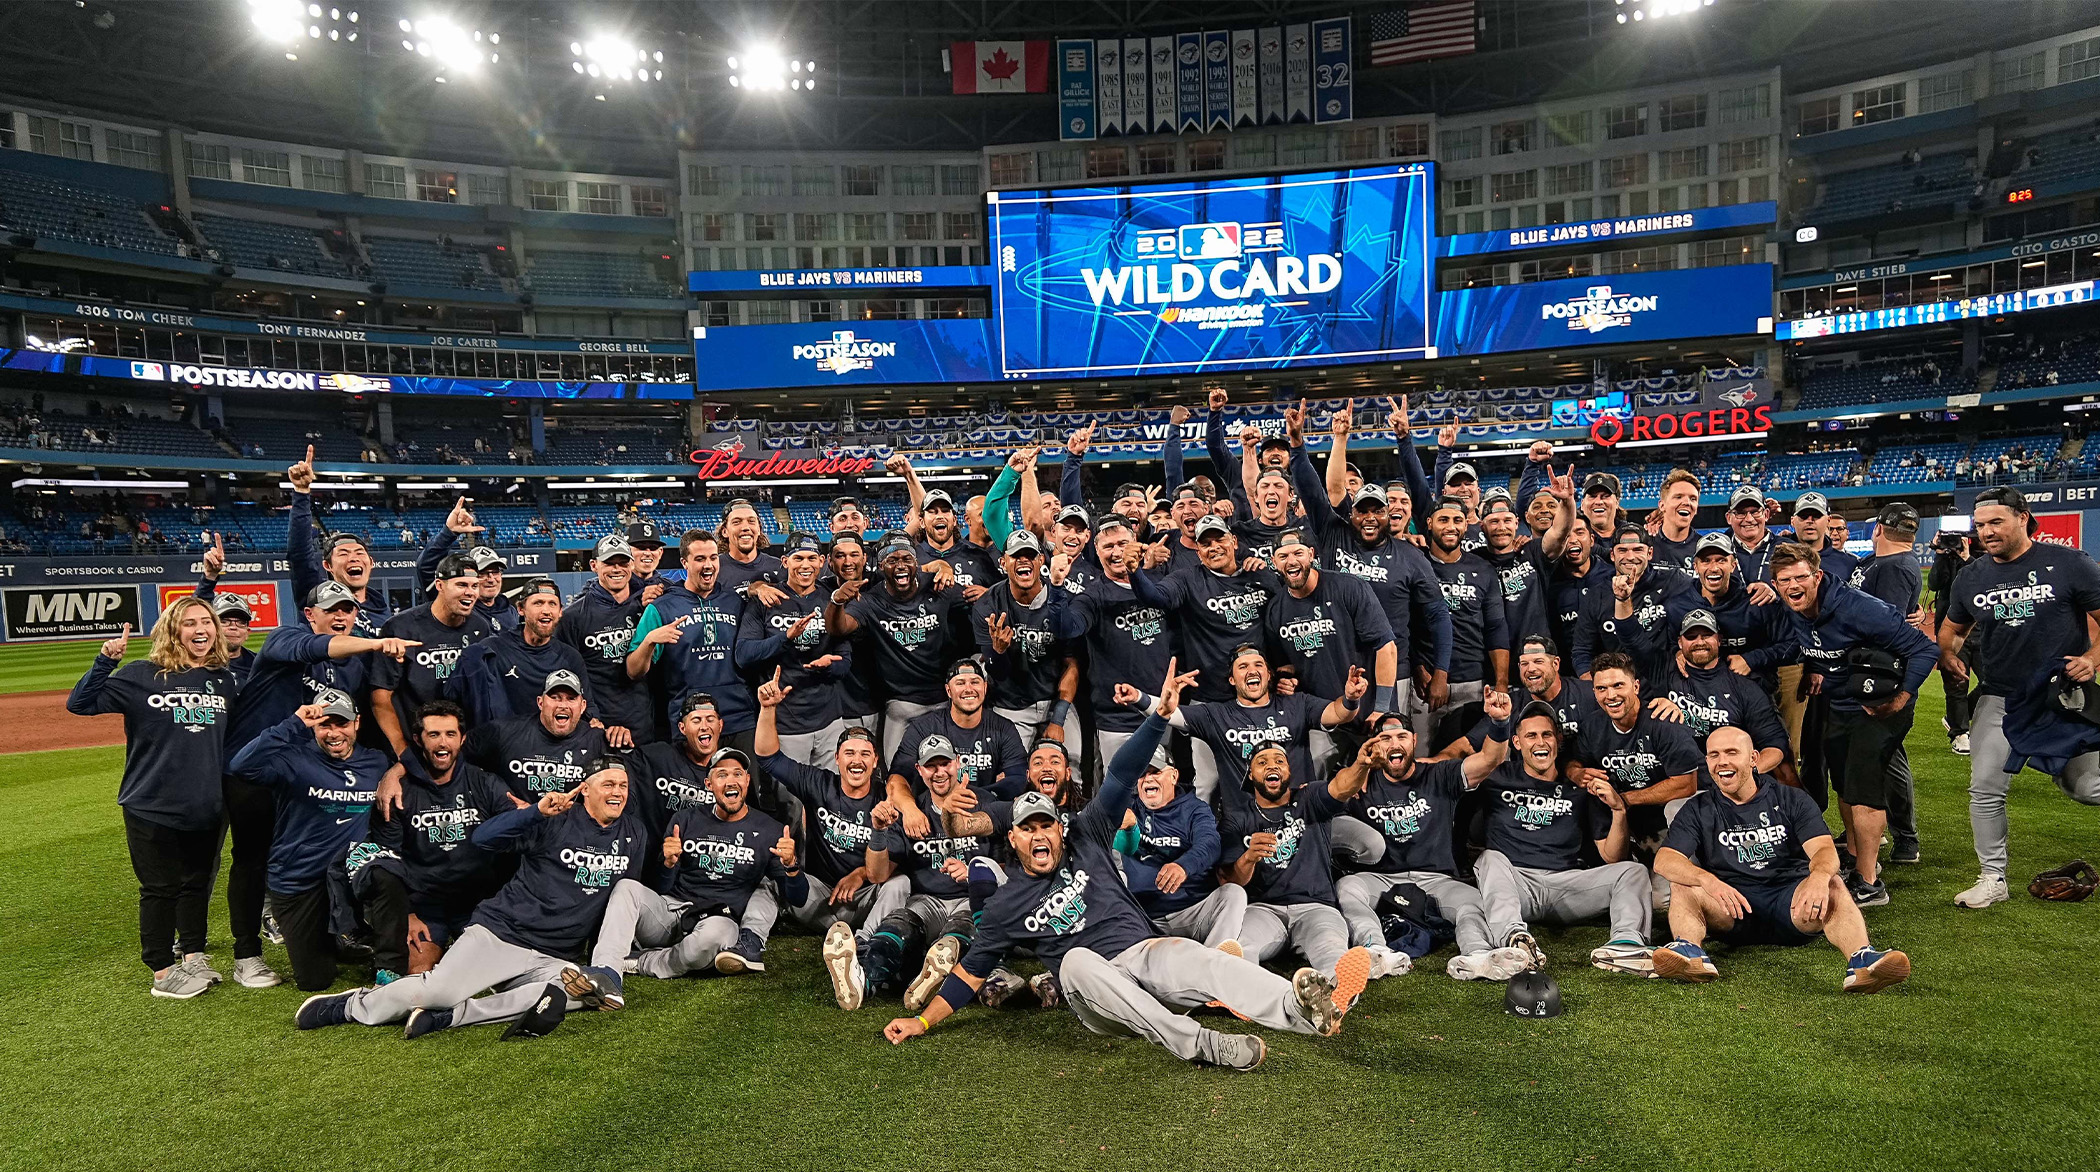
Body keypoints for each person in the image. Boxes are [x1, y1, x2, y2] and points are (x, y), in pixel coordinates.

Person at [880, 661, 1358, 1069]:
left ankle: (1300, 1009)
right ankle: (1201, 1044)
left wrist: (1159, 717)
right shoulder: (1008, 903)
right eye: (1027, 828)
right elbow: (969, 973)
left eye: (1046, 824)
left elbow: (1124, 772)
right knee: (1076, 961)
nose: (1039, 834)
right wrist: (922, 1021)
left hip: (1143, 957)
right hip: (1097, 995)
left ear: (1060, 828)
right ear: (1014, 838)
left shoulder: (1087, 834)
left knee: (1203, 959)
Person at [296, 757, 639, 1037]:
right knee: (438, 991)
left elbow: (616, 902)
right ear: (585, 790)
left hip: (555, 956)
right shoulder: (554, 819)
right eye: (608, 784)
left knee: (586, 992)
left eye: (622, 786)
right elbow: (483, 838)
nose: (617, 792)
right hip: (503, 935)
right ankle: (351, 1005)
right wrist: (535, 811)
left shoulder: (634, 832)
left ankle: (451, 1017)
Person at [224, 581, 415, 988]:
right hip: (259, 765)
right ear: (310, 615)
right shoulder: (285, 638)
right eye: (331, 610)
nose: (340, 616)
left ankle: (335, 932)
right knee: (252, 860)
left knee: (329, 849)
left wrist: (390, 769)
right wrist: (377, 643)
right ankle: (247, 954)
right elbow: (320, 647)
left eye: (347, 609)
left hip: (311, 767)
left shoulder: (353, 665)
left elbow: (358, 717)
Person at [1650, 727, 1912, 994]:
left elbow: (1823, 849)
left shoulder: (1791, 799)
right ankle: (1691, 954)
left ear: (1753, 758)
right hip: (1730, 909)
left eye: (1731, 753)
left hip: (1793, 907)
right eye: (1714, 755)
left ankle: (1862, 961)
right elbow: (1665, 860)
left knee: (1832, 882)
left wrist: (1819, 877)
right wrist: (1707, 880)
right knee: (1682, 882)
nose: (1722, 762)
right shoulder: (1698, 808)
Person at [1938, 486, 2100, 909]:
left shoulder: (2070, 563)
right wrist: (1948, 655)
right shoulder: (1972, 575)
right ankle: (1992, 878)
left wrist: (2091, 659)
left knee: (2087, 787)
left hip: (2062, 699)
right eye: (1980, 525)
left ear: (2023, 517)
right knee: (1985, 789)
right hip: (2001, 699)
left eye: (1996, 522)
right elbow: (1952, 629)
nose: (1986, 532)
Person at [67, 599, 236, 999]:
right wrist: (106, 660)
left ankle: (194, 955)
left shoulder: (224, 679)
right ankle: (162, 971)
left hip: (206, 802)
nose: (201, 629)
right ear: (172, 630)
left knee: (196, 884)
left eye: (207, 622)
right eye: (189, 623)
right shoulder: (141, 676)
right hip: (151, 803)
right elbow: (80, 703)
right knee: (160, 888)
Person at [1773, 542, 1935, 908]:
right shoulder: (1793, 609)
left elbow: (1924, 649)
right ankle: (1858, 860)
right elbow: (1809, 649)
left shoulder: (1860, 608)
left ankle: (1870, 884)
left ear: (1817, 576)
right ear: (1776, 584)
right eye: (1785, 580)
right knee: (1845, 787)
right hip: (1841, 703)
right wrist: (1811, 668)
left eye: (1801, 577)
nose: (1794, 585)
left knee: (1863, 790)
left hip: (1880, 707)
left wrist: (1900, 698)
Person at [1338, 702, 1528, 982]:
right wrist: (1357, 770)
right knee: (1347, 887)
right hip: (1380, 878)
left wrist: (1500, 723)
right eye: (1385, 738)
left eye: (1402, 737)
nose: (1395, 744)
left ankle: (1478, 955)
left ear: (1414, 741)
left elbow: (1489, 759)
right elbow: (1324, 794)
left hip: (1436, 879)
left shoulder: (1439, 774)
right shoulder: (1359, 782)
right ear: (1375, 746)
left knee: (1472, 903)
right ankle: (1375, 950)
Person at [1473, 702, 1654, 976]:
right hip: (1515, 884)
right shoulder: (1496, 776)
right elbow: (1458, 773)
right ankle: (1514, 941)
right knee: (1489, 858)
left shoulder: (1580, 787)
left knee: (1634, 872)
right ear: (1517, 743)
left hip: (1566, 885)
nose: (1540, 742)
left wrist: (1619, 811)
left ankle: (1626, 946)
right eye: (1531, 736)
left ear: (1558, 739)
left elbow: (1612, 857)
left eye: (1546, 734)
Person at [227, 690, 389, 992]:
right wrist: (294, 722)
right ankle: (330, 938)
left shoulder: (377, 762)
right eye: (325, 725)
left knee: (389, 876)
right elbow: (240, 766)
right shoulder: (294, 759)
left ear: (357, 723)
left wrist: (395, 775)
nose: (334, 733)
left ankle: (375, 952)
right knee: (315, 979)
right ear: (313, 727)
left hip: (348, 878)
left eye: (342, 724)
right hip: (299, 880)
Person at [596, 747, 804, 979]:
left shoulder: (770, 830)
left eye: (737, 774)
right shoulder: (685, 820)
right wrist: (667, 864)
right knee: (626, 888)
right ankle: (604, 970)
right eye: (722, 775)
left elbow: (798, 899)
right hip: (673, 913)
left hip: (719, 921)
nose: (731, 781)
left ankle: (644, 961)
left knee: (715, 935)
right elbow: (661, 886)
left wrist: (791, 865)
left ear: (747, 780)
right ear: (708, 784)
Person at [1217, 731, 1391, 988]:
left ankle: (1335, 997)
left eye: (1279, 761)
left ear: (1289, 771)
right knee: (1241, 949)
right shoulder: (1237, 818)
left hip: (1316, 907)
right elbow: (1230, 881)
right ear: (1250, 775)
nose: (1272, 766)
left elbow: (1341, 786)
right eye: (1262, 762)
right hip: (1263, 909)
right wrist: (1248, 858)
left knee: (1333, 954)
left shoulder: (1310, 797)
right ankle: (1243, 995)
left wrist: (1360, 765)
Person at [359, 701, 516, 981]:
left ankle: (463, 948)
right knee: (417, 974)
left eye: (450, 734)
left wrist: (528, 814)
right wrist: (405, 915)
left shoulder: (486, 783)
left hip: (479, 904)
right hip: (424, 906)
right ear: (418, 740)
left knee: (504, 973)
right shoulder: (398, 792)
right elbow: (387, 859)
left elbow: (515, 834)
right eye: (434, 735)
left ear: (462, 739)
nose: (443, 743)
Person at [754, 675, 911, 948]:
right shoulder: (819, 782)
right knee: (770, 881)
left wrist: (860, 873)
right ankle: (752, 938)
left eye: (865, 754)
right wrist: (768, 710)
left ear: (876, 761)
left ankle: (865, 944)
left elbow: (878, 876)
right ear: (837, 758)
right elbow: (769, 759)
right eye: (849, 753)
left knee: (900, 884)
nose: (857, 760)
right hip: (819, 897)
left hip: (864, 902)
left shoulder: (888, 800)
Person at [1121, 644, 1366, 800]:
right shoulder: (1217, 714)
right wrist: (1138, 697)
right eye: (1242, 667)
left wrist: (1351, 699)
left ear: (1268, 674)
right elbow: (1173, 714)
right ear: (1232, 680)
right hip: (1246, 821)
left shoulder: (1298, 703)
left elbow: (1337, 713)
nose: (1252, 670)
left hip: (1300, 811)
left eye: (1258, 664)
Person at [826, 535, 971, 763]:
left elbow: (976, 603)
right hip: (901, 705)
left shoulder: (938, 586)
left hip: (945, 700)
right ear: (880, 566)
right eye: (892, 561)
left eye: (906, 559)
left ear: (917, 563)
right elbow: (839, 628)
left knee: (949, 769)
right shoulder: (870, 601)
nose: (900, 565)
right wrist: (836, 602)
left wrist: (985, 593)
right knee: (895, 772)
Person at [629, 529, 758, 753]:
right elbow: (633, 671)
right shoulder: (662, 607)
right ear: (684, 563)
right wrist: (649, 641)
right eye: (700, 559)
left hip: (739, 718)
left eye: (713, 558)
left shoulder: (735, 602)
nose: (708, 565)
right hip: (690, 721)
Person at [735, 531, 850, 764]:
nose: (805, 565)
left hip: (829, 722)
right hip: (785, 724)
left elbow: (845, 659)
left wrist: (829, 667)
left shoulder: (832, 600)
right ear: (785, 561)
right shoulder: (765, 599)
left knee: (830, 787)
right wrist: (786, 637)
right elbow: (744, 655)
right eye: (798, 558)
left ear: (822, 561)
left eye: (811, 558)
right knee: (790, 790)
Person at [369, 553, 498, 760]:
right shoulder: (401, 627)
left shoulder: (479, 627)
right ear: (439, 585)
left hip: (460, 746)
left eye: (475, 586)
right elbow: (381, 697)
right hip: (414, 744)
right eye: (461, 585)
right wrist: (402, 750)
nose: (470, 592)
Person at [1121, 744, 1246, 949]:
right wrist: (1116, 821)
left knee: (1233, 893)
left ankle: (1215, 958)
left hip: (1192, 910)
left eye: (1156, 772)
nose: (1148, 779)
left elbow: (1210, 843)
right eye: (1142, 774)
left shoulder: (1195, 809)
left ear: (1173, 776)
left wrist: (1183, 866)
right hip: (1144, 916)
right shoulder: (1127, 807)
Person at [1646, 610, 1790, 775]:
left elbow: (1775, 743)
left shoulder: (1743, 685)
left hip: (1729, 773)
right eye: (1691, 637)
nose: (1699, 642)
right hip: (1682, 776)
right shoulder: (1664, 670)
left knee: (1786, 773)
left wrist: (1746, 774)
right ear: (1680, 642)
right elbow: (1631, 637)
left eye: (1707, 635)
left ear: (1719, 640)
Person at [971, 529, 1077, 746]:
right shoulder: (988, 605)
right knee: (1010, 764)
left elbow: (1072, 664)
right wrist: (998, 652)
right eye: (1016, 555)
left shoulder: (1063, 599)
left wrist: (1058, 719)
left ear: (1041, 560)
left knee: (1072, 762)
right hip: (1011, 705)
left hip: (1057, 700)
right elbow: (997, 673)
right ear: (1003, 563)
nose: (1023, 560)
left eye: (1030, 555)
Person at [450, 579, 593, 726]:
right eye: (538, 603)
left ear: (560, 611)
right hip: (505, 738)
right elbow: (456, 698)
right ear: (520, 609)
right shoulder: (492, 650)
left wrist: (594, 721)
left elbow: (588, 707)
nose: (546, 610)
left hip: (553, 738)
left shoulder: (570, 657)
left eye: (552, 604)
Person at [554, 534, 650, 748]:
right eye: (609, 563)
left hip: (645, 723)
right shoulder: (573, 616)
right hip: (599, 726)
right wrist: (589, 718)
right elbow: (567, 674)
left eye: (623, 562)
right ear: (593, 565)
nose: (617, 569)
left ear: (632, 565)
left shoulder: (647, 608)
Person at [285, 445, 388, 637]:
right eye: (343, 554)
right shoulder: (317, 597)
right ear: (328, 566)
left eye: (359, 553)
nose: (353, 558)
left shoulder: (383, 613)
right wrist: (301, 492)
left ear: (371, 562)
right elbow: (299, 555)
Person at [462, 670, 611, 801]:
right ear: (540, 703)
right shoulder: (504, 732)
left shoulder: (598, 740)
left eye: (571, 698)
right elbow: (457, 753)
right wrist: (500, 800)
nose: (562, 705)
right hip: (519, 822)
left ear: (583, 706)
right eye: (555, 697)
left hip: (573, 824)